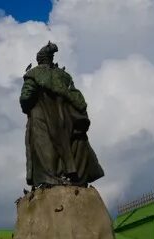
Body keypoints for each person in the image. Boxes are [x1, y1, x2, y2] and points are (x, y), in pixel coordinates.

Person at [20, 42, 104, 187]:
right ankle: (75, 177)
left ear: (39, 59)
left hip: (42, 119)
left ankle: (52, 179)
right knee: (72, 147)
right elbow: (75, 96)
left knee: (46, 152)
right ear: (51, 59)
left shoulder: (33, 75)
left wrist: (29, 105)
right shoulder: (63, 76)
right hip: (67, 121)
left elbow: (26, 98)